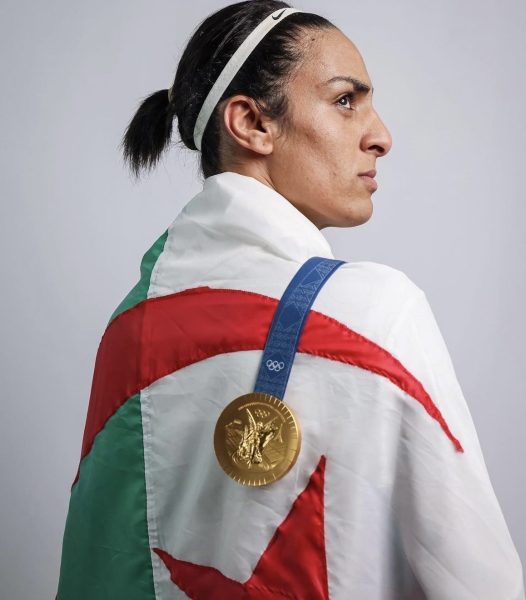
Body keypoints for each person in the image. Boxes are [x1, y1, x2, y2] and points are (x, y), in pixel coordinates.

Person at [56, 1, 525, 599]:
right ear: (252, 123)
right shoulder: (373, 313)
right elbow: (480, 582)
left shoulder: (128, 327)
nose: (381, 136)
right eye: (344, 101)